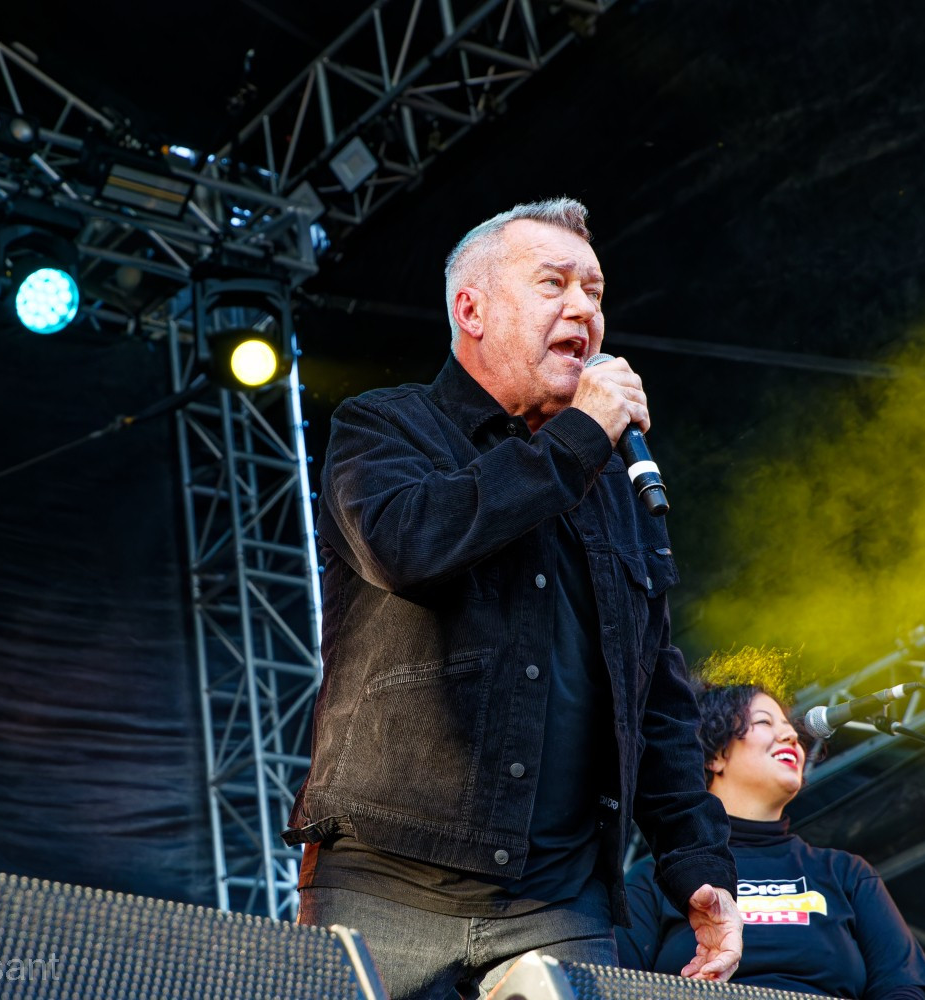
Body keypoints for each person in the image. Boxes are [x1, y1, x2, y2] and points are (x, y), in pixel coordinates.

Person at [284, 198, 741, 999]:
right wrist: (577, 441)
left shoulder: (614, 486)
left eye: (595, 293)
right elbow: (409, 547)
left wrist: (697, 864)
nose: (584, 310)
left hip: (562, 895)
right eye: (554, 283)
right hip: (389, 876)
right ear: (472, 310)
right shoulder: (386, 427)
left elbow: (656, 699)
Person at [616, 682, 925, 1000]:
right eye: (763, 722)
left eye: (790, 728)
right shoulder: (657, 877)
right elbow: (610, 983)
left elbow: (906, 985)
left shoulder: (846, 872)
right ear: (714, 755)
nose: (791, 736)